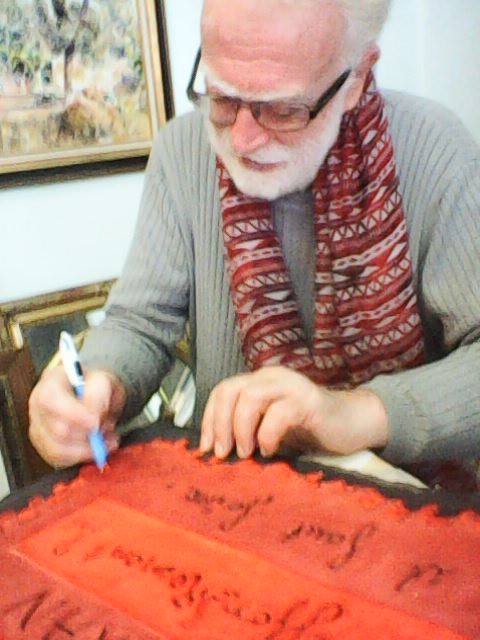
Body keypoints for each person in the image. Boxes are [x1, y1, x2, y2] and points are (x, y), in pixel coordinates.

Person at [29, 0, 480, 477]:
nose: (242, 140)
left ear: (357, 77)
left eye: (283, 110)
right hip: (228, 490)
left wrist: (353, 414)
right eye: (222, 98)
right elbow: (141, 324)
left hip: (411, 499)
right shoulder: (182, 152)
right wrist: (99, 385)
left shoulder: (435, 149)